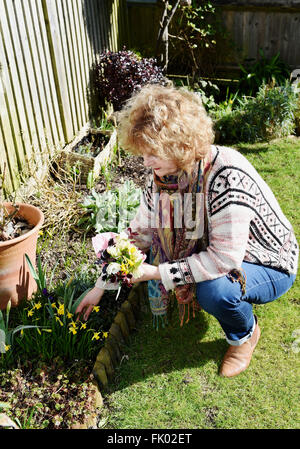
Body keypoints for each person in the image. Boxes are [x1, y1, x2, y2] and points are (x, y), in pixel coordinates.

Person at [76, 84, 298, 378]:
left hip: (268, 260)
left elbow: (225, 260)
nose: (145, 161)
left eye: (152, 153)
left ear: (179, 146)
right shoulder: (163, 176)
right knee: (173, 255)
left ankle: (245, 334)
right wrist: (99, 287)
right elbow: (139, 234)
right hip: (230, 252)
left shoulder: (225, 175)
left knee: (215, 291)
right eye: (143, 152)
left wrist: (156, 274)